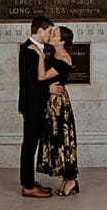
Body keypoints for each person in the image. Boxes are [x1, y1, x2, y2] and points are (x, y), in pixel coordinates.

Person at [29, 26, 79, 196]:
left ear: (62, 41)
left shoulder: (63, 58)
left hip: (58, 105)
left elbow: (42, 77)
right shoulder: (56, 54)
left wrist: (40, 55)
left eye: (55, 34)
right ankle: (68, 178)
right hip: (52, 102)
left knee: (62, 140)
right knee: (55, 139)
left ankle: (71, 179)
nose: (51, 35)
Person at [18, 15, 61, 198]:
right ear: (40, 30)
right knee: (29, 145)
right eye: (50, 31)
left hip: (37, 105)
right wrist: (48, 89)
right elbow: (28, 84)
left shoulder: (38, 49)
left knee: (32, 144)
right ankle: (27, 186)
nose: (51, 35)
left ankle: (29, 181)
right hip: (32, 106)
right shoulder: (28, 50)